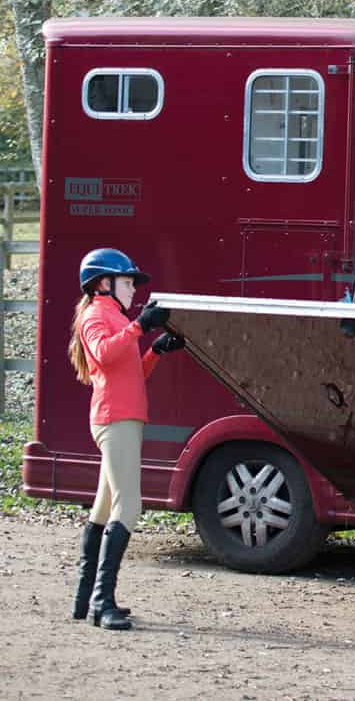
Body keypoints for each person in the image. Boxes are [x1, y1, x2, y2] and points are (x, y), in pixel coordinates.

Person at [68, 248, 184, 630]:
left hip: (122, 416)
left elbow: (128, 372)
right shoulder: (97, 315)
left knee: (104, 509)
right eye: (128, 281)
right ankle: (103, 603)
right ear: (105, 282)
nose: (134, 289)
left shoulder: (112, 314)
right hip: (116, 420)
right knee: (128, 507)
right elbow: (102, 353)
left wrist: (154, 351)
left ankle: (86, 599)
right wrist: (140, 327)